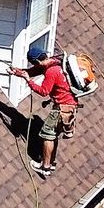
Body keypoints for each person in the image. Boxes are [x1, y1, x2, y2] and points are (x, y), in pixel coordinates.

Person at [13, 46, 79, 178]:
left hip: (61, 109)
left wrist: (28, 81)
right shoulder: (55, 62)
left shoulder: (51, 72)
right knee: (53, 135)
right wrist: (17, 72)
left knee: (46, 135)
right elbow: (34, 70)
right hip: (70, 107)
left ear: (36, 61)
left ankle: (45, 167)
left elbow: (44, 91)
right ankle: (50, 162)